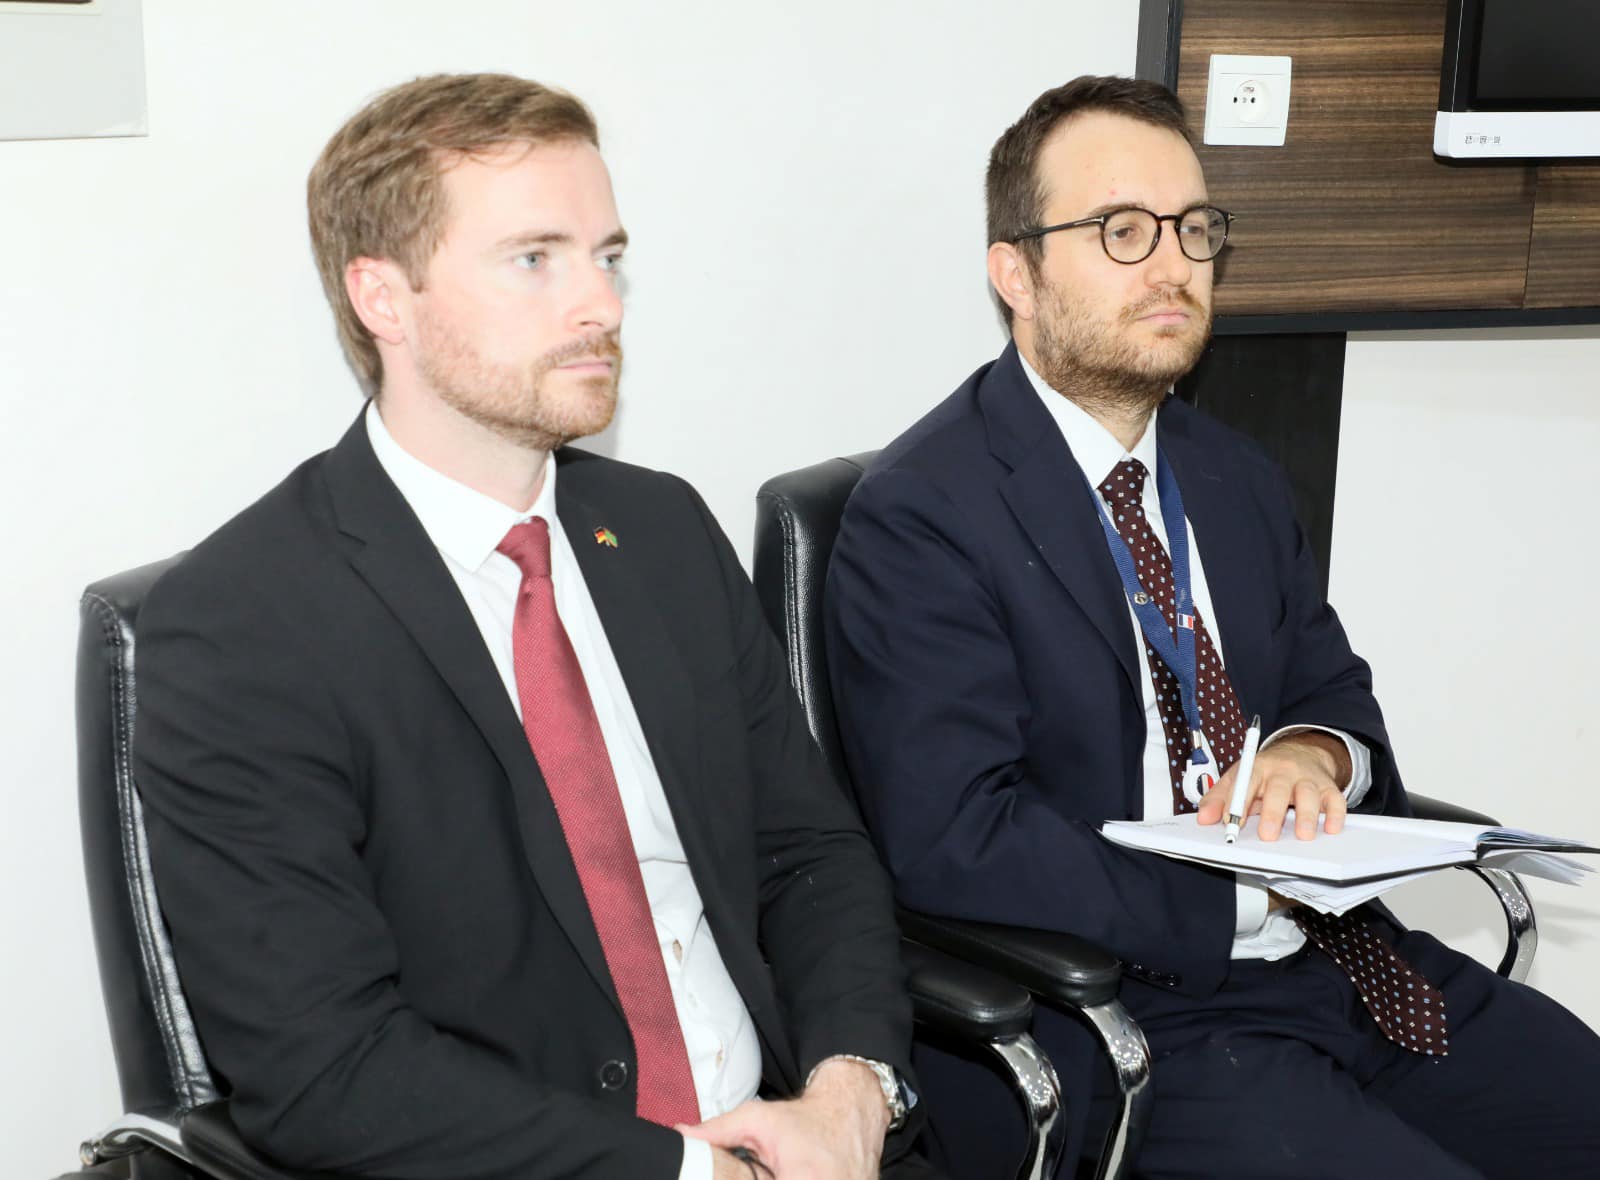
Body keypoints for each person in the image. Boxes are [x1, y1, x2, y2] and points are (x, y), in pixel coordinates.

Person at [134, 72, 930, 1180]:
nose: (601, 304)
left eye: (607, 257)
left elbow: (809, 852)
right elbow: (325, 1066)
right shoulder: (241, 627)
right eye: (534, 259)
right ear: (383, 299)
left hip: (796, 1138)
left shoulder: (660, 531)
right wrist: (694, 1172)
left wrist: (850, 1090)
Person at [824, 75, 1600, 1179]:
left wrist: (1312, 754)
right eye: (1121, 231)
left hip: (1347, 965)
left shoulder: (1232, 474)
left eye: (1194, 228)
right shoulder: (923, 513)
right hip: (1131, 1014)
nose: (1173, 265)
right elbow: (955, 840)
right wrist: (1239, 888)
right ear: (1016, 273)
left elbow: (1334, 692)